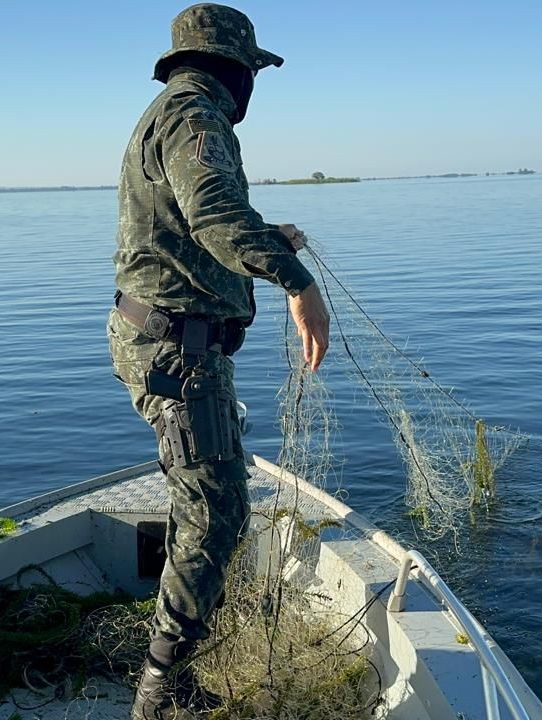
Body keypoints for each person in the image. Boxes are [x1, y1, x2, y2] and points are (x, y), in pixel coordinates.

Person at [108, 4, 331, 718]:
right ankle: (159, 693)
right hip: (178, 353)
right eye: (255, 71)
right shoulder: (197, 117)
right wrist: (300, 286)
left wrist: (270, 236)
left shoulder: (171, 111)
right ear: (236, 68)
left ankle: (168, 670)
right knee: (217, 513)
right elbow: (212, 216)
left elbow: (195, 229)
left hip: (170, 341)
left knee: (203, 502)